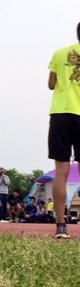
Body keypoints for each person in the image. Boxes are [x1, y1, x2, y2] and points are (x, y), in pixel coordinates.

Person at [48, 22, 80, 238]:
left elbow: (51, 84)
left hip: (61, 113)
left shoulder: (59, 53)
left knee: (61, 171)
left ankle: (61, 226)